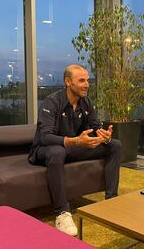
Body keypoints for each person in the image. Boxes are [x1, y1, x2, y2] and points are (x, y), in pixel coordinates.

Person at [28, 64, 121, 236]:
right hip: (44, 150)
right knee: (57, 151)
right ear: (68, 82)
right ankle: (62, 212)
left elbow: (94, 126)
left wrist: (102, 135)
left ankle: (111, 201)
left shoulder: (86, 102)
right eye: (82, 80)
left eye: (87, 80)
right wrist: (76, 140)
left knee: (114, 145)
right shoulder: (52, 102)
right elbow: (45, 137)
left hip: (72, 149)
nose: (87, 84)